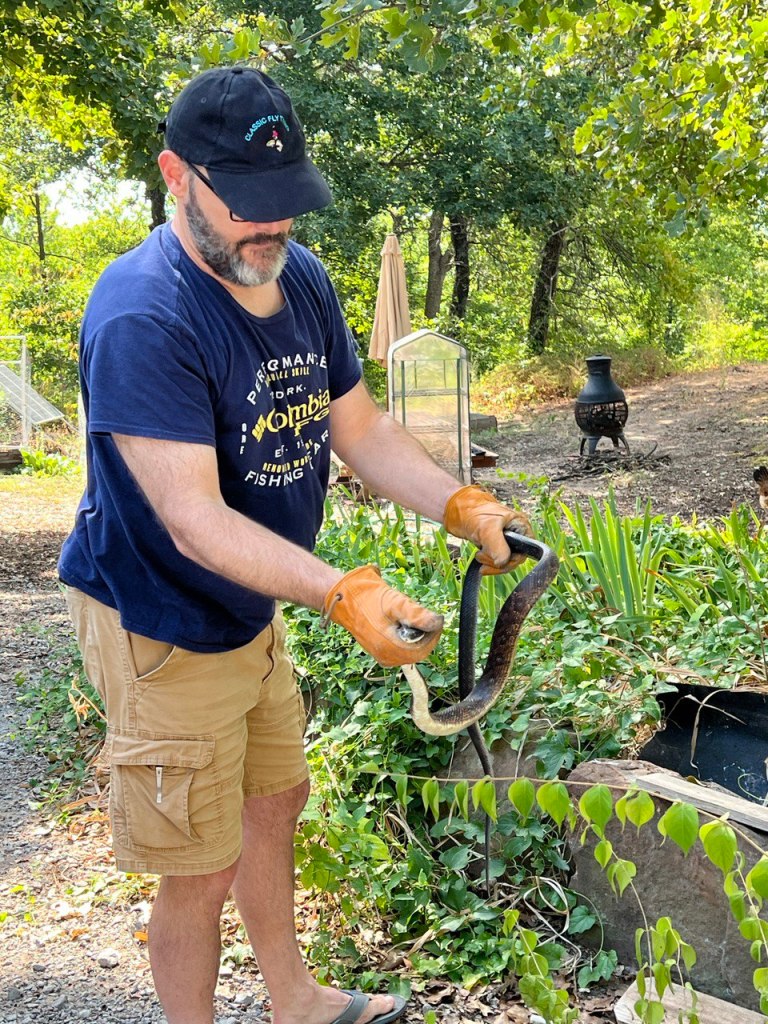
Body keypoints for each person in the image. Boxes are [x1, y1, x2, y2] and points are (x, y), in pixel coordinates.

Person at [58, 66, 532, 1024]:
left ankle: (296, 1000)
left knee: (274, 801)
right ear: (177, 177)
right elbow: (193, 520)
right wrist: (342, 591)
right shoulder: (143, 313)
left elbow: (361, 430)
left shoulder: (297, 276)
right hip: (160, 617)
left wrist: (459, 503)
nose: (270, 225)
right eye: (246, 202)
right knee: (199, 865)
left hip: (252, 601)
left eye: (285, 200)